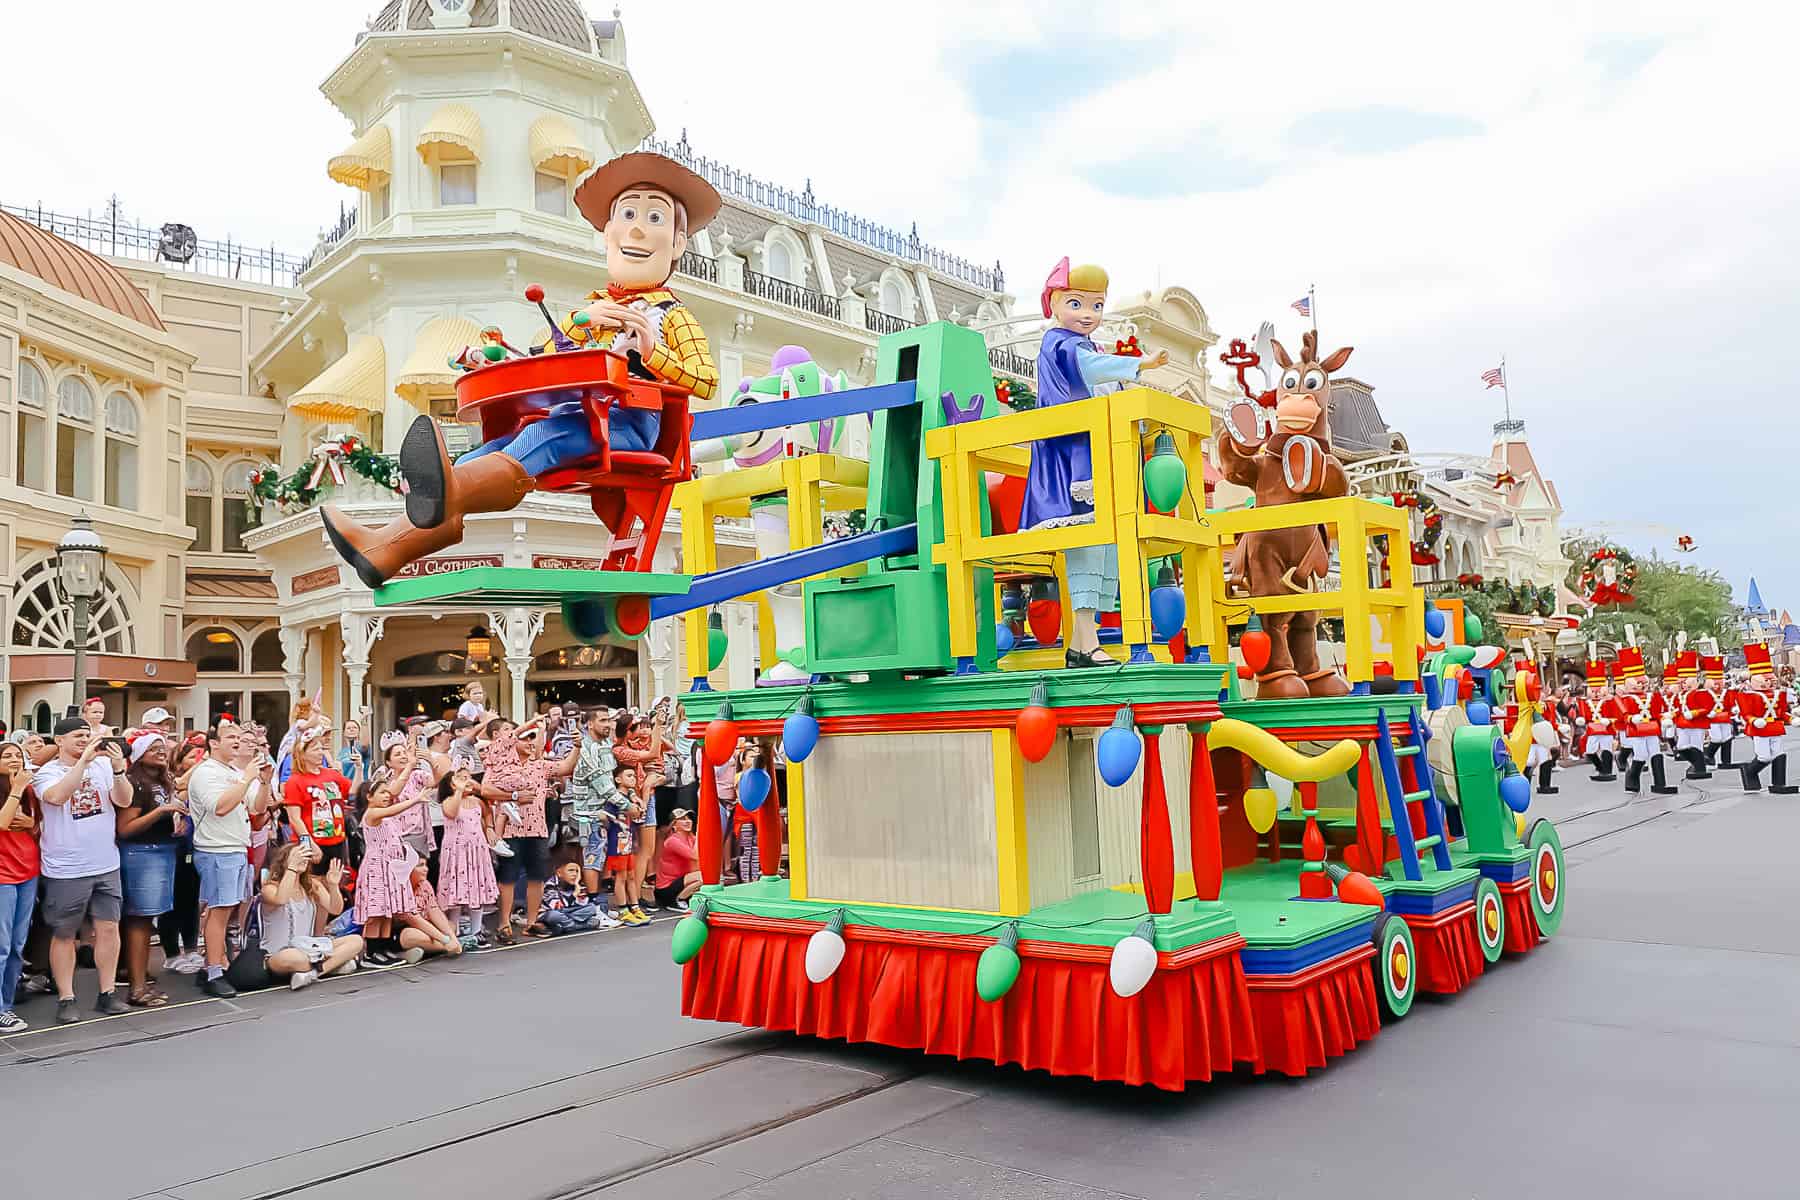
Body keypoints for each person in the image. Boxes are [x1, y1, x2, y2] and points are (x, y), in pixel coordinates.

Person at [321, 150, 723, 587]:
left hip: (631, 427)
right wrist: (578, 323)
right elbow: (544, 357)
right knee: (481, 456)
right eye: (627, 214)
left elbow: (705, 379)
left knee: (540, 437)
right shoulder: (593, 312)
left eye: (654, 218)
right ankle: (383, 550)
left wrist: (650, 352)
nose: (638, 228)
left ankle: (435, 507)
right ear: (608, 233)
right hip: (579, 416)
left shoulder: (671, 315)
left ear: (678, 243)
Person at [1020, 258, 1169, 668]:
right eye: (1077, 304)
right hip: (1073, 457)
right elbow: (1089, 369)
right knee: (1088, 542)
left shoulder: (1085, 346)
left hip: (1093, 454)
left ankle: (1085, 641)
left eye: (1096, 306)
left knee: (1102, 544)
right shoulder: (1061, 343)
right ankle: (1083, 643)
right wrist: (1140, 364)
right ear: (1055, 304)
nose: (1087, 314)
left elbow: (1101, 380)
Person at [34, 716, 134, 1022]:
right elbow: (57, 796)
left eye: (87, 735)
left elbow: (124, 799)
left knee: (108, 929)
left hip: (105, 862)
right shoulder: (46, 773)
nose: (84, 740)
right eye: (78, 735)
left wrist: (117, 770)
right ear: (59, 740)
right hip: (66, 867)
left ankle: (107, 992)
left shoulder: (103, 766)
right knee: (65, 933)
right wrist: (83, 763)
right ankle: (67, 997)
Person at [186, 722, 274, 997]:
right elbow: (221, 807)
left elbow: (258, 808)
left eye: (239, 737)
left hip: (236, 847)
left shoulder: (234, 772)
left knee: (226, 909)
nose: (237, 742)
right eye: (230, 737)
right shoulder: (205, 773)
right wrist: (247, 778)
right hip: (216, 849)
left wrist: (265, 781)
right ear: (213, 743)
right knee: (219, 911)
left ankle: (211, 966)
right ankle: (213, 971)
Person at [480, 715, 578, 941]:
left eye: (534, 739)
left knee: (537, 876)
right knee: (508, 877)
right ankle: (504, 924)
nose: (531, 742)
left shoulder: (540, 765)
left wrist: (577, 747)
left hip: (537, 829)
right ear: (515, 742)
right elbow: (485, 791)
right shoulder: (502, 765)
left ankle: (532, 923)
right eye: (526, 739)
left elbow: (566, 767)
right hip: (511, 830)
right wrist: (514, 795)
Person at [118, 733, 183, 1007]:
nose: (160, 751)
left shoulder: (162, 779)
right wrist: (161, 812)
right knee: (140, 919)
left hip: (163, 850)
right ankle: (137, 987)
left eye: (162, 747)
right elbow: (125, 828)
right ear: (140, 753)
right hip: (142, 853)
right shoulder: (135, 781)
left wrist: (177, 820)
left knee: (147, 919)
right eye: (153, 748)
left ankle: (137, 975)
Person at [257, 840, 361, 990]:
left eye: (305, 856)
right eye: (298, 856)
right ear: (285, 861)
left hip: (311, 948)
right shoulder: (270, 888)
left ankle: (313, 973)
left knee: (356, 941)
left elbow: (335, 909)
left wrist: (332, 885)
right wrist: (292, 869)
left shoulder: (312, 885)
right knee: (296, 957)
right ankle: (333, 966)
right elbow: (281, 899)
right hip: (279, 953)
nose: (303, 860)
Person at [354, 775, 425, 966]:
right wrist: (416, 799)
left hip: (391, 867)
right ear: (369, 796)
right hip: (377, 867)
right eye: (382, 792)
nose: (387, 796)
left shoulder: (385, 816)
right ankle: (371, 951)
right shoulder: (372, 814)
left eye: (387, 792)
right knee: (376, 910)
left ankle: (383, 947)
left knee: (387, 910)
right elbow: (395, 809)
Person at [0, 741, 40, 1032]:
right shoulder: (18, 789)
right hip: (3, 874)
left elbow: (38, 829)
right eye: (6, 755)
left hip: (28, 871)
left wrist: (30, 824)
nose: (14, 759)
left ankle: (7, 1002)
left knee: (16, 944)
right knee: (1, 945)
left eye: (18, 755)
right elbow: (2, 823)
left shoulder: (29, 790)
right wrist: (15, 790)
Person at [158, 740, 207, 974]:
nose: (198, 762)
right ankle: (171, 953)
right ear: (179, 761)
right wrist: (201, 766)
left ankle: (191, 948)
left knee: (191, 900)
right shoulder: (170, 782)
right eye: (192, 758)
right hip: (170, 848)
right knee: (172, 902)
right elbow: (178, 789)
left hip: (193, 847)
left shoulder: (201, 783)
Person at [435, 769, 498, 944]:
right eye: (460, 779)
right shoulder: (448, 801)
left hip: (476, 851)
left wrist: (490, 828)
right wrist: (459, 791)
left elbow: (487, 813)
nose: (466, 781)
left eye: (467, 777)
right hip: (457, 851)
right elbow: (452, 813)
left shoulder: (477, 802)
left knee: (476, 888)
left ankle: (476, 930)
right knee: (456, 890)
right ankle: (453, 929)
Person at [281, 727, 353, 872]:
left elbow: (351, 791)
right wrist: (309, 844)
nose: (321, 753)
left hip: (336, 841)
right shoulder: (295, 781)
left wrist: (358, 768)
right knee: (313, 886)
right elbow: (294, 819)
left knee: (333, 884)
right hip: (313, 842)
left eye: (321, 748)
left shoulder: (331, 775)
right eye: (315, 749)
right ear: (302, 754)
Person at [613, 711, 667, 903]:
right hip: (634, 800)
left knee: (645, 850)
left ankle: (634, 895)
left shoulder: (630, 745)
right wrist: (658, 725)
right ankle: (633, 898)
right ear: (628, 731)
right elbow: (653, 753)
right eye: (635, 728)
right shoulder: (620, 750)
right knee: (643, 851)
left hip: (643, 798)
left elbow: (663, 752)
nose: (639, 732)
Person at [569, 706, 620, 898]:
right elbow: (601, 783)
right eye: (603, 720)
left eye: (609, 720)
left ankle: (599, 902)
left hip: (605, 808)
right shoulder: (586, 747)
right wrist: (627, 805)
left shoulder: (605, 743)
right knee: (592, 856)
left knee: (601, 855)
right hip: (588, 811)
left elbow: (611, 776)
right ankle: (594, 903)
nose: (608, 724)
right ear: (590, 724)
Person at [604, 763, 649, 925]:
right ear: (617, 779)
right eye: (629, 776)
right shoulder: (615, 799)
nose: (633, 779)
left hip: (628, 841)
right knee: (621, 876)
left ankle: (635, 907)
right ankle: (623, 909)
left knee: (631, 875)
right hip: (617, 842)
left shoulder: (631, 798)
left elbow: (637, 819)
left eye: (634, 776)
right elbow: (606, 817)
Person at [397, 859, 463, 959]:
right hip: (403, 931)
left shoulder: (425, 884)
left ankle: (432, 948)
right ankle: (448, 947)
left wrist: (451, 937)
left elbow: (434, 910)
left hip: (426, 927)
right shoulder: (401, 888)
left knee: (450, 926)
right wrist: (446, 940)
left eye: (426, 865)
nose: (426, 869)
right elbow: (414, 920)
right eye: (420, 865)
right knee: (410, 935)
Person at [652, 808, 702, 912]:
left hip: (681, 881)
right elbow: (695, 856)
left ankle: (685, 897)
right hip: (666, 888)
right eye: (683, 819)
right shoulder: (672, 841)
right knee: (704, 877)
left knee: (710, 876)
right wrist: (699, 834)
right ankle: (677, 900)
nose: (688, 821)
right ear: (674, 825)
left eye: (689, 818)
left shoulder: (690, 837)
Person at [538, 860, 601, 934]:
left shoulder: (578, 884)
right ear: (559, 873)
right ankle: (580, 925)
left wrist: (577, 885)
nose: (574, 874)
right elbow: (556, 906)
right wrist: (574, 894)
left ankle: (564, 927)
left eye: (577, 871)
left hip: (568, 912)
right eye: (571, 870)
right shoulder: (550, 885)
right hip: (552, 912)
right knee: (554, 915)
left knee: (592, 908)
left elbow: (583, 903)